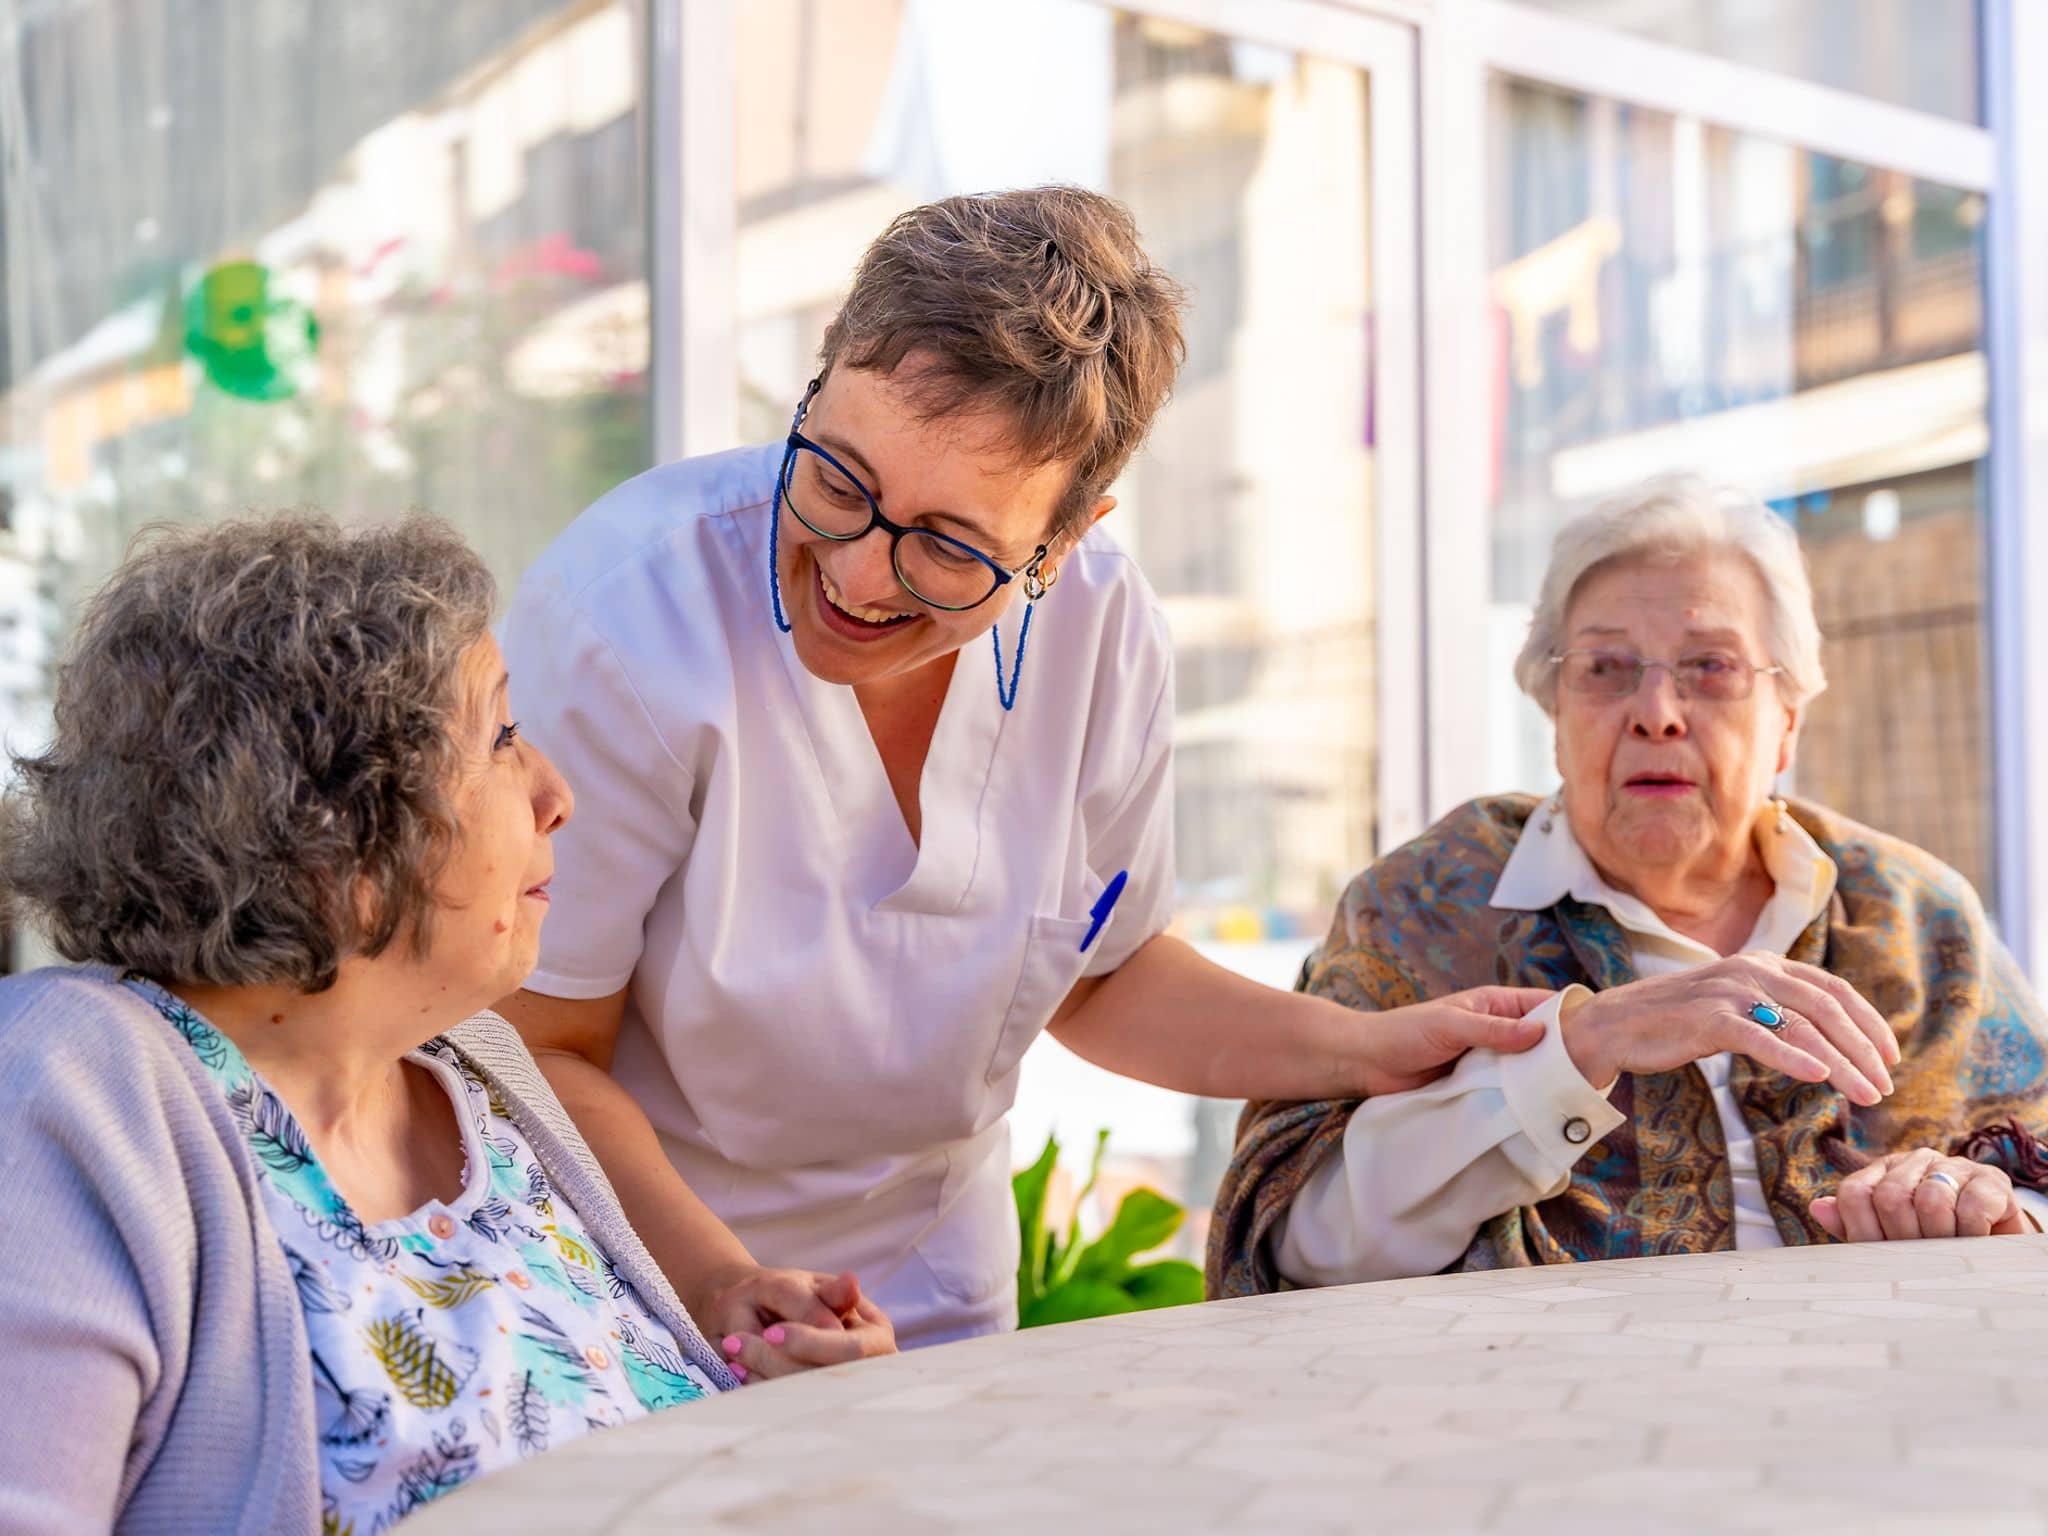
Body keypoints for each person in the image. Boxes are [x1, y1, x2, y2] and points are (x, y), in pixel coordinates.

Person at [496, 185, 1550, 1347]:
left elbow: (1102, 979)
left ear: (1067, 538)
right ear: (817, 378)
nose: (855, 574)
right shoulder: (624, 617)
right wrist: (718, 1284)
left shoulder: (1105, 633)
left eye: (950, 547)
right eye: (837, 478)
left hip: (933, 1284)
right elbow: (540, 1046)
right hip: (632, 1276)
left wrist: (1366, 1047)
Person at [0, 516, 887, 1536]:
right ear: (334, 842)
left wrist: (770, 1372)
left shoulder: (476, 1073)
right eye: (502, 740)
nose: (557, 795)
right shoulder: (68, 1087)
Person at [1209, 477, 2048, 1295]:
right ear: (1557, 719)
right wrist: (1568, 1055)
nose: (1656, 712)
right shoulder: (1425, 903)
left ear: (1787, 722)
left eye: (1710, 666)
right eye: (1605, 669)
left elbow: (2033, 1167)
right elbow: (1299, 1240)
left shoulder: (1913, 913)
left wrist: (1993, 1212)